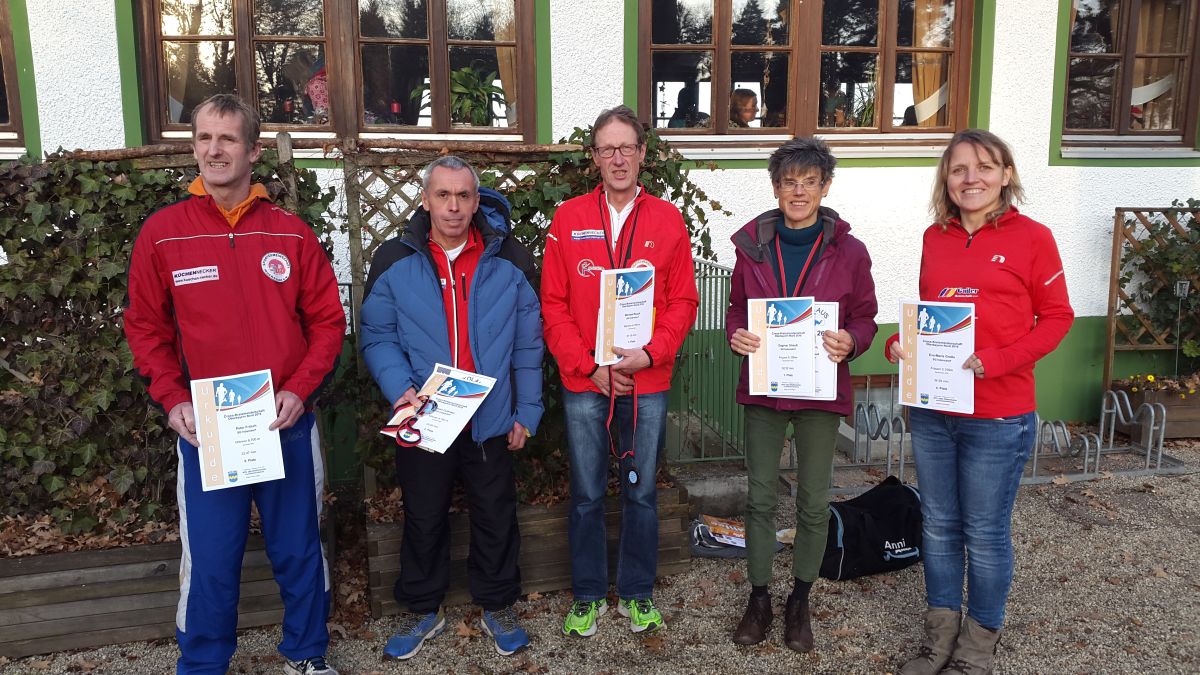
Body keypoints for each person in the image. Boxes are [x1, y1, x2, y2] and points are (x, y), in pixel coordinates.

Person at [124, 94, 345, 675]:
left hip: (284, 421)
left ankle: (307, 654)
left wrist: (299, 389)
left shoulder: (291, 234)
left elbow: (327, 323)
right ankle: (203, 664)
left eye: (227, 138)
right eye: (204, 138)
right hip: (208, 429)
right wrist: (173, 399)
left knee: (299, 548)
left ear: (252, 150)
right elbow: (145, 327)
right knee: (211, 558)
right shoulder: (163, 234)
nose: (214, 150)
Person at [887, 129, 1074, 674]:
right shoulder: (935, 237)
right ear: (946, 179)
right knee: (938, 525)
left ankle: (977, 647)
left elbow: (1057, 317)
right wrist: (903, 344)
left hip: (998, 414)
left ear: (1006, 174)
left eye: (984, 167)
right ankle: (940, 637)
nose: (971, 179)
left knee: (985, 533)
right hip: (934, 410)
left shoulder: (1034, 238)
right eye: (959, 169)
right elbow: (933, 316)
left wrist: (1001, 359)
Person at [360, 155, 543, 660]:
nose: (454, 206)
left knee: (495, 514)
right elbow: (377, 334)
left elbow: (528, 344)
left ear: (476, 200)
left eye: (464, 195)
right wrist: (400, 388)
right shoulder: (395, 258)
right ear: (426, 200)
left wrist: (528, 410)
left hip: (491, 417)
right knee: (423, 515)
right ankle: (423, 607)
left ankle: (497, 603)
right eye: (443, 195)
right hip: (426, 415)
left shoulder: (509, 258)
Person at [541, 105, 699, 637]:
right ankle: (588, 595)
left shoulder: (668, 220)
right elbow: (553, 304)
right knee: (587, 493)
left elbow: (683, 301)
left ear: (642, 153)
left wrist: (651, 354)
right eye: (607, 149)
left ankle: (636, 592)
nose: (617, 158)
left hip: (646, 381)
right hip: (586, 382)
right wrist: (588, 367)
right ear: (594, 158)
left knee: (642, 492)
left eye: (626, 147)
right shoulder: (568, 219)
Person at [725, 137, 879, 652]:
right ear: (775, 188)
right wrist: (735, 334)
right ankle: (760, 597)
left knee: (813, 502)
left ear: (824, 187)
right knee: (760, 498)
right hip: (765, 390)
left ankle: (800, 599)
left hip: (820, 391)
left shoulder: (850, 251)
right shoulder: (752, 245)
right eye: (789, 182)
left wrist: (852, 340)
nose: (798, 191)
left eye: (809, 182)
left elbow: (865, 315)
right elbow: (737, 308)